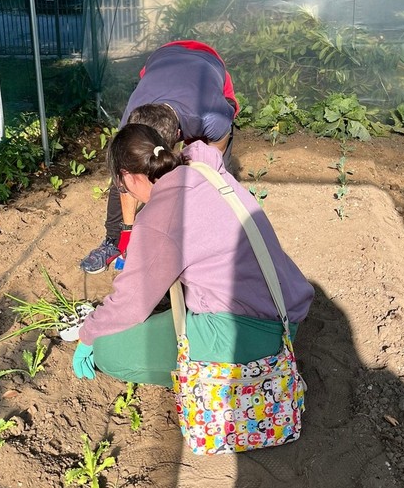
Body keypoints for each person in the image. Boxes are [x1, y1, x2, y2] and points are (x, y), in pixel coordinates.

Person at [72, 123, 314, 386]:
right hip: (285, 308)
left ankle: (222, 381)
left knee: (110, 350)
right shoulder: (205, 170)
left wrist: (89, 334)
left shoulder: (160, 216)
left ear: (128, 177)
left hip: (246, 333)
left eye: (123, 187)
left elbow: (132, 301)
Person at [79, 40, 240, 274]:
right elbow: (126, 176)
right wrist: (127, 232)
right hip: (162, 59)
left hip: (208, 63)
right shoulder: (132, 119)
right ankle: (112, 242)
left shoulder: (211, 118)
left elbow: (214, 153)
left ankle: (214, 237)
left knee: (215, 173)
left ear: (176, 135)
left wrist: (198, 169)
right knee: (125, 167)